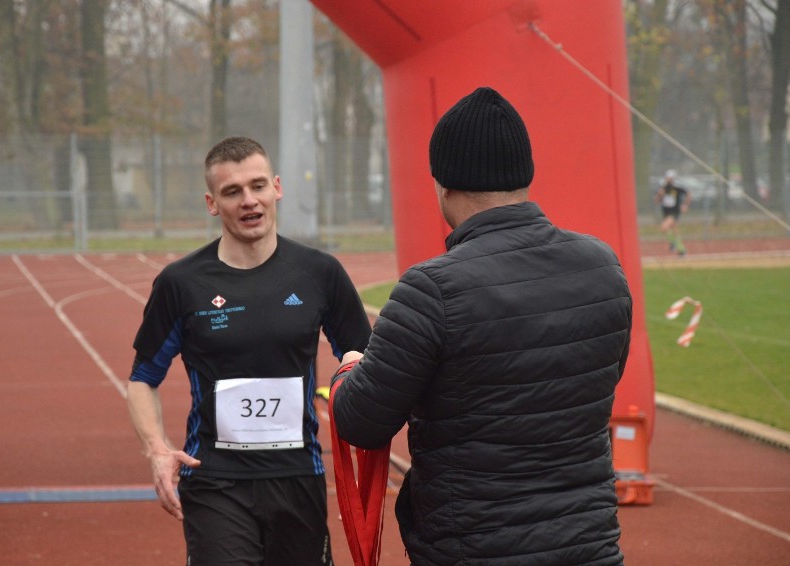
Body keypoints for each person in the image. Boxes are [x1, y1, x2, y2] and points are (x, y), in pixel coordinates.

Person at [330, 87, 632, 565]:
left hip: (473, 547)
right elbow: (598, 382)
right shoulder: (603, 267)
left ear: (443, 184)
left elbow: (361, 422)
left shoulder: (430, 289)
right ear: (523, 176)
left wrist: (349, 372)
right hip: (589, 545)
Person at [127, 136, 371, 565]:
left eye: (257, 186)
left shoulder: (319, 273)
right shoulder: (181, 284)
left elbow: (361, 356)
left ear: (276, 187)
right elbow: (143, 380)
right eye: (232, 191)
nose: (248, 200)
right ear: (211, 203)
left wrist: (354, 371)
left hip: (298, 476)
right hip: (214, 479)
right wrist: (157, 449)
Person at [654, 169, 691, 255]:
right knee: (675, 232)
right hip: (666, 213)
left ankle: (673, 243)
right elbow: (657, 201)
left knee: (664, 228)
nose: (668, 179)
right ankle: (682, 250)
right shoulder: (663, 188)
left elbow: (688, 194)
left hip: (674, 213)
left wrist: (685, 205)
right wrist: (660, 195)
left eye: (670, 178)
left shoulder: (677, 188)